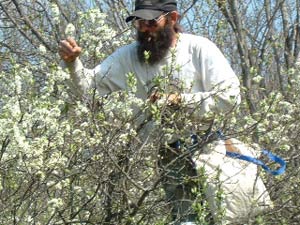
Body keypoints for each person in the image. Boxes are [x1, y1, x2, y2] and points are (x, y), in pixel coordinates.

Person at [59, 0, 241, 224]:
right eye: (139, 22)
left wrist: (180, 100)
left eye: (151, 22)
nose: (144, 29)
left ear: (172, 18)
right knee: (187, 220)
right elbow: (90, 87)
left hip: (208, 150)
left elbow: (230, 97)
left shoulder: (199, 49)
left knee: (225, 218)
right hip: (167, 156)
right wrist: (72, 63)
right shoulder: (128, 57)